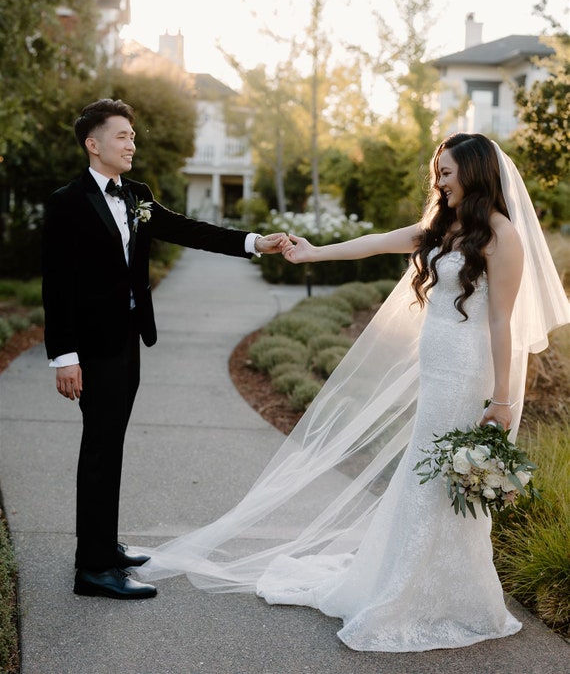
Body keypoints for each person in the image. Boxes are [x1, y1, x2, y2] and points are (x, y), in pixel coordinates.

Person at [136, 133, 569, 652]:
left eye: (448, 172)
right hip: (438, 365)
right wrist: (315, 254)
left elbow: (502, 320)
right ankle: (410, 580)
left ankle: (440, 592)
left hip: (469, 372)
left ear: (475, 174)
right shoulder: (444, 225)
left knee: (443, 472)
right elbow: (378, 240)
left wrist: (501, 399)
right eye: (439, 170)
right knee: (427, 466)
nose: (440, 180)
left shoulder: (503, 235)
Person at [41, 98, 287, 601]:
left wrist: (254, 242)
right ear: (93, 144)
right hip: (92, 348)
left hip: (128, 341)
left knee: (111, 447)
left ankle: (104, 547)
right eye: (121, 136)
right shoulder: (66, 202)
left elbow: (186, 230)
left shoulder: (138, 195)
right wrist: (64, 356)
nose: (131, 143)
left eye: (133, 135)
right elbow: (56, 285)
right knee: (100, 450)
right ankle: (92, 570)